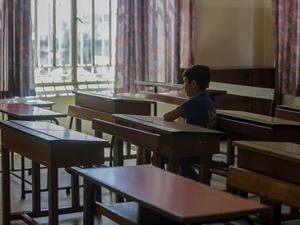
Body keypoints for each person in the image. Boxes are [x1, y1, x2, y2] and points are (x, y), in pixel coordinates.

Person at [163, 64, 217, 180]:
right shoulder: (207, 98)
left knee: (163, 152)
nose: (184, 86)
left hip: (196, 148)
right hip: (207, 146)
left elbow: (167, 117)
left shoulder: (194, 102)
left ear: (193, 84)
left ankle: (192, 181)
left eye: (185, 82)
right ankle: (189, 180)